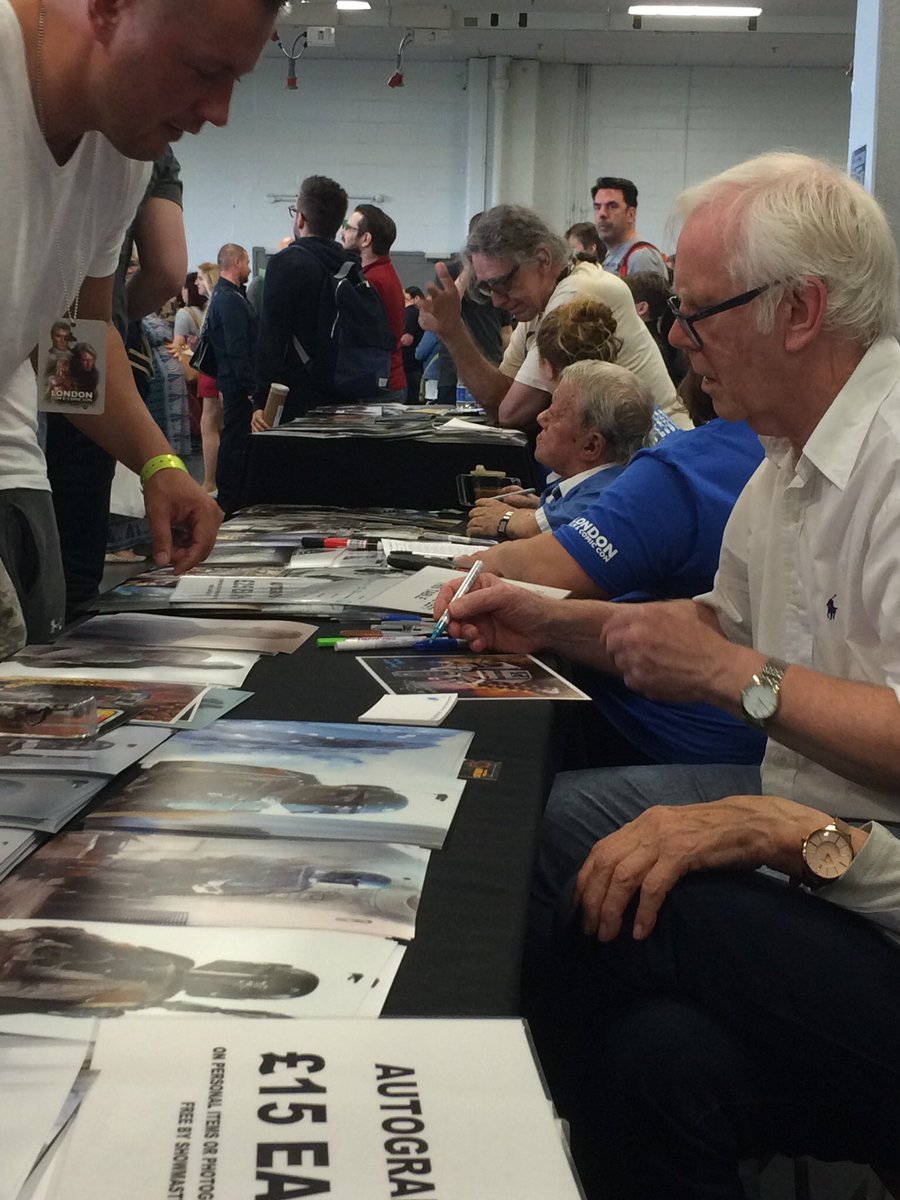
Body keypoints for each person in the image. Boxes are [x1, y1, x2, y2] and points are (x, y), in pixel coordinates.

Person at [437, 151, 900, 1195]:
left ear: (800, 310)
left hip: (868, 877)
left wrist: (747, 686)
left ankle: (457, 1134)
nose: (679, 344)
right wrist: (549, 624)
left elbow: (735, 663)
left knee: (595, 878)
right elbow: (701, 632)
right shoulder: (782, 463)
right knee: (650, 1062)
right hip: (828, 851)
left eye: (698, 313)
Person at [0, 0, 280, 648]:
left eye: (234, 80)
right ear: (108, 9)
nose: (219, 112)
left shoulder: (122, 158)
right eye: (204, 69)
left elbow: (69, 363)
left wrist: (159, 465)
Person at [415, 204, 679, 431]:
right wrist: (451, 330)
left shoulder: (579, 292)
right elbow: (499, 397)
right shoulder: (541, 301)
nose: (496, 300)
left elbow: (510, 413)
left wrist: (455, 333)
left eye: (503, 282)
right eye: (486, 288)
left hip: (656, 451)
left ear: (542, 259)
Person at [467, 360, 653, 541]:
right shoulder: (612, 482)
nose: (541, 418)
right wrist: (543, 506)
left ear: (591, 446)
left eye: (555, 414)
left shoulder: (604, 501)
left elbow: (544, 527)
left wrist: (508, 519)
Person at [253, 175, 353, 424]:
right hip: (346, 391)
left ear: (300, 218)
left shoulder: (287, 263)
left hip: (296, 394)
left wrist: (260, 399)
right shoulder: (351, 265)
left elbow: (272, 336)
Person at [203, 242, 256, 514]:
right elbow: (238, 347)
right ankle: (229, 498)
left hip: (230, 378)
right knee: (235, 439)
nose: (248, 269)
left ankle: (230, 496)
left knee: (234, 436)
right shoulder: (230, 299)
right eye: (246, 263)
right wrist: (250, 386)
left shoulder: (225, 296)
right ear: (236, 262)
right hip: (236, 381)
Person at [341, 203, 406, 400]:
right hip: (387, 380)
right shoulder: (384, 273)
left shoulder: (371, 282)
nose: (342, 231)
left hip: (377, 385)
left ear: (366, 239)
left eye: (348, 227)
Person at [592, 176, 668, 280]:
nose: (602, 214)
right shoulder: (611, 256)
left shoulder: (641, 258)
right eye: (597, 207)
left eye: (612, 206)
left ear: (631, 214)